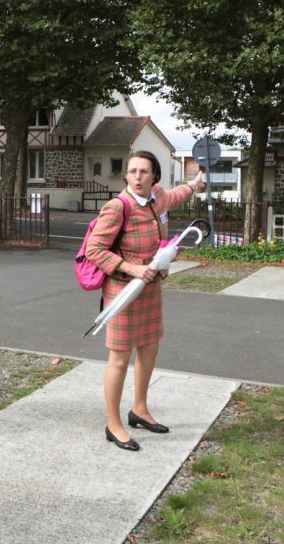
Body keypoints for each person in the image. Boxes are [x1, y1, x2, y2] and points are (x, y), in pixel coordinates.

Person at [84, 150, 205, 451]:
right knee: (120, 359)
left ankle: (140, 408)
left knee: (149, 348)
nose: (137, 177)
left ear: (155, 177)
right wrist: (131, 267)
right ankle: (114, 424)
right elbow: (94, 250)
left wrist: (194, 185)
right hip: (123, 292)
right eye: (132, 171)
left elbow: (176, 196)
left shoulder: (158, 198)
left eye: (144, 172)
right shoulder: (117, 207)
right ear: (126, 175)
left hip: (150, 289)